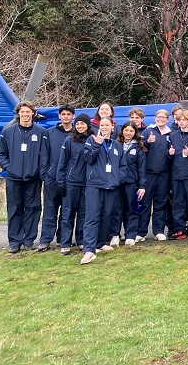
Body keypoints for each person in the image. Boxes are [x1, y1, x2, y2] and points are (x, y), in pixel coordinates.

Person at [0, 100, 49, 253]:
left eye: (28, 112)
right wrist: (10, 168)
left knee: (33, 208)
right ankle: (14, 241)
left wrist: (39, 171)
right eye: (22, 112)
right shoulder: (8, 132)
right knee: (14, 209)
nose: (25, 115)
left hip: (33, 178)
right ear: (18, 114)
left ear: (33, 113)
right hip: (14, 178)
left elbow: (44, 155)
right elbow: (0, 154)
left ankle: (29, 239)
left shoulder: (41, 132)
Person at [80, 117, 122, 265]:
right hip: (94, 185)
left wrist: (117, 178)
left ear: (112, 127)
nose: (104, 127)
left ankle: (100, 242)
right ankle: (89, 249)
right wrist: (97, 145)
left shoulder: (117, 145)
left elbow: (122, 166)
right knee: (92, 216)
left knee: (107, 214)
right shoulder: (91, 141)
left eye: (107, 125)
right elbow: (89, 159)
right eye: (102, 125)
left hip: (111, 186)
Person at [37, 104, 74, 252]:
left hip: (69, 179)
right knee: (50, 210)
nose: (66, 116)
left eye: (68, 114)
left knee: (67, 211)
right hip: (52, 178)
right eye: (63, 114)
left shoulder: (76, 134)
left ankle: (62, 238)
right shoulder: (49, 133)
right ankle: (45, 239)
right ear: (59, 116)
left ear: (72, 116)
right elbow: (44, 155)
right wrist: (45, 174)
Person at [57, 113, 93, 255]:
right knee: (68, 213)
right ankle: (65, 242)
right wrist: (60, 182)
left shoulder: (92, 140)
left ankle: (82, 240)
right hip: (71, 182)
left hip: (87, 183)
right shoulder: (69, 140)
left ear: (87, 125)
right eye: (77, 123)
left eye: (82, 123)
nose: (80, 126)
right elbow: (62, 163)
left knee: (83, 214)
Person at [139, 109, 172, 241]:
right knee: (145, 203)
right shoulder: (148, 131)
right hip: (149, 173)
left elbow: (172, 154)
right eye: (158, 117)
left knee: (161, 203)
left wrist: (171, 154)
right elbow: (140, 149)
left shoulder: (171, 133)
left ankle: (158, 231)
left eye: (163, 117)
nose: (160, 119)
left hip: (164, 174)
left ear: (167, 119)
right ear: (154, 118)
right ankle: (141, 232)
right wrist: (147, 142)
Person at [114, 121, 147, 247]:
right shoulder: (115, 145)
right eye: (126, 130)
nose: (128, 133)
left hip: (131, 183)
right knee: (116, 209)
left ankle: (130, 235)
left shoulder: (139, 148)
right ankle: (115, 235)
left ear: (135, 133)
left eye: (131, 131)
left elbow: (142, 169)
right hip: (116, 183)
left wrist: (142, 186)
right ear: (122, 130)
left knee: (132, 209)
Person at [167, 108, 188, 240]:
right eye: (179, 120)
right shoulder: (173, 135)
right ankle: (179, 228)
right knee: (178, 203)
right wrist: (170, 154)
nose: (181, 122)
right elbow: (168, 157)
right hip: (177, 175)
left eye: (184, 120)